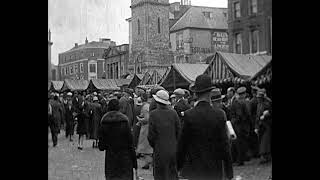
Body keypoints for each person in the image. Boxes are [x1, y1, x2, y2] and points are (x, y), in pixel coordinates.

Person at [177, 75, 233, 180]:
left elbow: (182, 144)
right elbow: (225, 145)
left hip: (195, 169)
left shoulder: (189, 115)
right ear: (210, 93)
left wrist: (178, 166)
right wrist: (229, 172)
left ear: (196, 94)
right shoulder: (220, 114)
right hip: (215, 169)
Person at [98, 99, 138, 180]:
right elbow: (131, 144)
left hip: (111, 160)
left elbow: (101, 146)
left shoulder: (104, 122)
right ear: (119, 108)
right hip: (125, 159)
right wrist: (134, 163)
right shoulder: (124, 121)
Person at [148, 90, 181, 180]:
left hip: (159, 149)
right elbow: (178, 131)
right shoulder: (173, 113)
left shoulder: (153, 114)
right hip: (172, 149)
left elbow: (151, 136)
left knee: (160, 174)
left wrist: (155, 145)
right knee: (172, 173)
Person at [230, 87, 251, 166]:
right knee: (240, 143)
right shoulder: (242, 102)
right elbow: (244, 115)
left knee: (238, 143)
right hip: (241, 125)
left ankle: (240, 160)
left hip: (238, 125)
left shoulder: (236, 102)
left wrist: (233, 122)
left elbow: (239, 115)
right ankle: (241, 159)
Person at [255, 88, 272, 164]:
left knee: (265, 142)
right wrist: (256, 127)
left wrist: (266, 115)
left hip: (266, 125)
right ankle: (266, 156)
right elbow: (257, 116)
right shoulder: (258, 105)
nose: (258, 99)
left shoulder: (267, 103)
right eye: (257, 97)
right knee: (262, 141)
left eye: (259, 97)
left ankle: (263, 157)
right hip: (260, 125)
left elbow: (270, 112)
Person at [136, 95, 153, 170]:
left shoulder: (145, 107)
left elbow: (147, 118)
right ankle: (148, 162)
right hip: (146, 127)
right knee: (146, 146)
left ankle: (148, 163)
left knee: (146, 146)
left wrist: (140, 120)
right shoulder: (147, 106)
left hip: (146, 128)